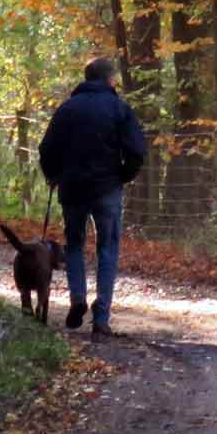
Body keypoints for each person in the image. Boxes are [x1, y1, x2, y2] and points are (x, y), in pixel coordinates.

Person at [38, 56, 147, 340]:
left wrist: (53, 174)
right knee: (107, 249)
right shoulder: (119, 109)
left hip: (72, 188)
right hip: (107, 188)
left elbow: (47, 148)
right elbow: (137, 151)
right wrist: (123, 176)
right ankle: (101, 318)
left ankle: (77, 298)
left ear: (87, 78)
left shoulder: (67, 110)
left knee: (74, 244)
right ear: (110, 79)